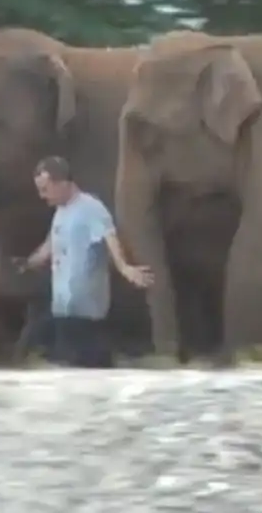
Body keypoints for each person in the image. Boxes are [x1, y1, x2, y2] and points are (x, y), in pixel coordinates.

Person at [19, 155, 154, 368]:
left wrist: (123, 266)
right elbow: (49, 247)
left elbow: (110, 237)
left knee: (88, 369)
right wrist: (25, 264)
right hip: (64, 310)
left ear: (62, 182)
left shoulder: (91, 208)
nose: (42, 195)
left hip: (87, 314)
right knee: (65, 371)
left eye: (45, 188)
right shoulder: (60, 213)